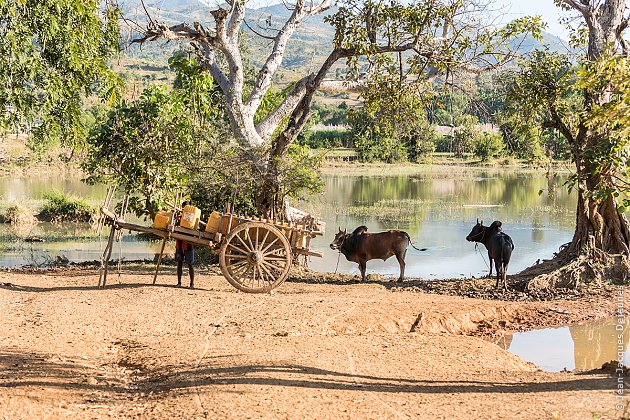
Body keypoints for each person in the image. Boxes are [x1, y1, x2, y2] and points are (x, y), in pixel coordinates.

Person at [175, 200, 195, 289]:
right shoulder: (178, 218)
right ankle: (179, 282)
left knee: (190, 264)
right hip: (179, 243)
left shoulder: (192, 218)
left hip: (188, 244)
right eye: (183, 208)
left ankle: (192, 284)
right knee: (179, 263)